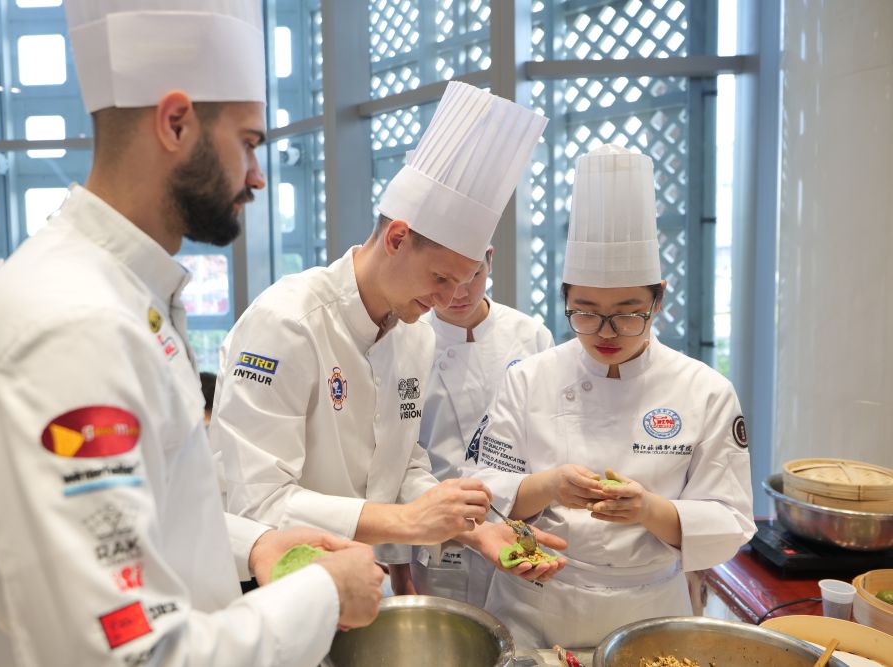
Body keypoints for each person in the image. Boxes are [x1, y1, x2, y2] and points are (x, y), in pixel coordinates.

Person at [0, 2, 383, 666]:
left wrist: (254, 544)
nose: (257, 175)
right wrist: (324, 595)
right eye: (249, 143)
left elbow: (137, 515)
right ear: (175, 123)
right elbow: (131, 653)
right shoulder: (73, 326)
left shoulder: (120, 294)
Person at [211, 81, 564, 595]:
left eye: (464, 281)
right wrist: (407, 522)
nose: (447, 299)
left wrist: (472, 529)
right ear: (397, 238)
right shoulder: (287, 323)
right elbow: (258, 503)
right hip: (265, 586)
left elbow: (402, 464)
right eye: (440, 278)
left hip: (350, 577)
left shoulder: (414, 336)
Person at [468, 144, 755, 651]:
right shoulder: (528, 379)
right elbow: (484, 491)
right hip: (536, 604)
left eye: (627, 313)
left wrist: (648, 509)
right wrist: (550, 486)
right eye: (584, 311)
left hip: (649, 610)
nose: (605, 331)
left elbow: (730, 520)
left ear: (658, 298)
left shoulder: (706, 390)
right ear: (564, 298)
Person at [411, 245, 555, 605]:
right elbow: (393, 461)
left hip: (521, 530)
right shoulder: (407, 340)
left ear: (490, 259)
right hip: (441, 538)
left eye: (472, 275)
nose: (459, 292)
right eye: (443, 279)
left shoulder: (531, 336)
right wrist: (397, 564)